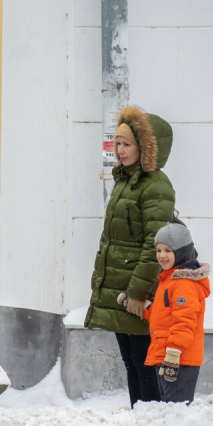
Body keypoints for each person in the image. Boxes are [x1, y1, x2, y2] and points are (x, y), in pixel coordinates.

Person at [85, 106, 176, 405]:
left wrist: (138, 293)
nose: (119, 150)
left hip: (139, 294)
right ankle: (141, 417)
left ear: (145, 148)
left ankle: (151, 421)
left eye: (127, 144)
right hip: (122, 290)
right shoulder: (125, 181)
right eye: (117, 143)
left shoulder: (155, 186)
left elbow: (156, 243)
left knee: (145, 362)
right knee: (132, 362)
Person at [138, 223, 209, 403]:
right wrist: (142, 307)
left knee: (177, 410)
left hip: (179, 360)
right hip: (167, 357)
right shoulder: (169, 279)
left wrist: (173, 353)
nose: (162, 255)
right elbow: (161, 316)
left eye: (168, 250)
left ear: (181, 251)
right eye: (159, 250)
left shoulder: (184, 283)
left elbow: (185, 320)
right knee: (170, 408)